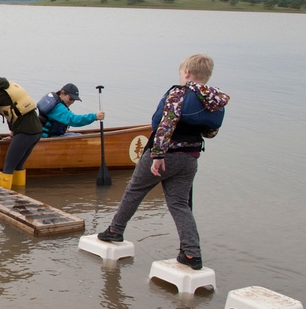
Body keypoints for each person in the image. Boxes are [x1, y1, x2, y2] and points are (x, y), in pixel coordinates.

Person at [97, 54, 230, 270]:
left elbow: (164, 126)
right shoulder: (214, 100)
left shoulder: (178, 94)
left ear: (186, 73)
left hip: (165, 154)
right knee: (179, 204)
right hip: (190, 158)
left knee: (135, 190)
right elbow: (211, 132)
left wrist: (157, 156)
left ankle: (115, 231)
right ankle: (191, 253)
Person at [37, 83, 105, 137]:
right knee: (79, 137)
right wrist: (94, 116)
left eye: (74, 100)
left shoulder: (56, 103)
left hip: (48, 135)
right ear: (62, 93)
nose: (72, 102)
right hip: (49, 138)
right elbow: (73, 120)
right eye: (70, 99)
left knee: (77, 135)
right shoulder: (57, 108)